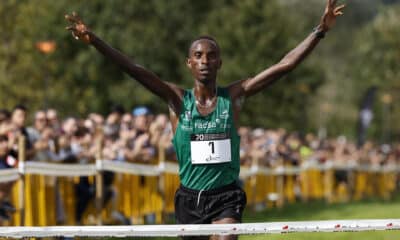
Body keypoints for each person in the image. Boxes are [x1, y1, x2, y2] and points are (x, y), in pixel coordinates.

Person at [66, 1, 344, 239]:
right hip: (189, 200)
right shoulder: (176, 100)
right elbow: (134, 69)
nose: (204, 61)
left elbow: (284, 65)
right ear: (189, 63)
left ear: (220, 63)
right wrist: (95, 41)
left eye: (211, 56)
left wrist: (319, 31)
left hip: (226, 197)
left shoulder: (235, 96)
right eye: (198, 56)